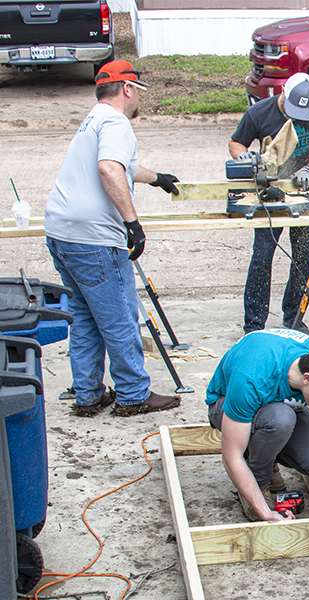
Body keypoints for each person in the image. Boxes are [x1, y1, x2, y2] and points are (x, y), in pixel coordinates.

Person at [45, 60, 182, 418]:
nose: (137, 98)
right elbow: (109, 168)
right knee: (119, 317)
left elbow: (120, 165)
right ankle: (133, 394)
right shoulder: (117, 122)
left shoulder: (93, 120)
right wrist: (132, 223)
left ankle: (89, 395)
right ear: (127, 88)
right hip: (93, 239)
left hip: (62, 232)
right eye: (137, 91)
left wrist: (156, 178)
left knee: (86, 316)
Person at [206, 330, 309, 522]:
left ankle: (267, 450)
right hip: (226, 406)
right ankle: (259, 480)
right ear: (307, 379)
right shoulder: (251, 378)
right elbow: (231, 456)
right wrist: (265, 512)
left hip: (282, 408)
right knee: (280, 419)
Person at [229, 72, 309, 335]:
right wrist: (244, 157)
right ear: (282, 92)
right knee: (262, 256)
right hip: (269, 191)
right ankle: (254, 324)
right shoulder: (260, 112)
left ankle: (293, 317)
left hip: (304, 189)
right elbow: (236, 142)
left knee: (302, 256)